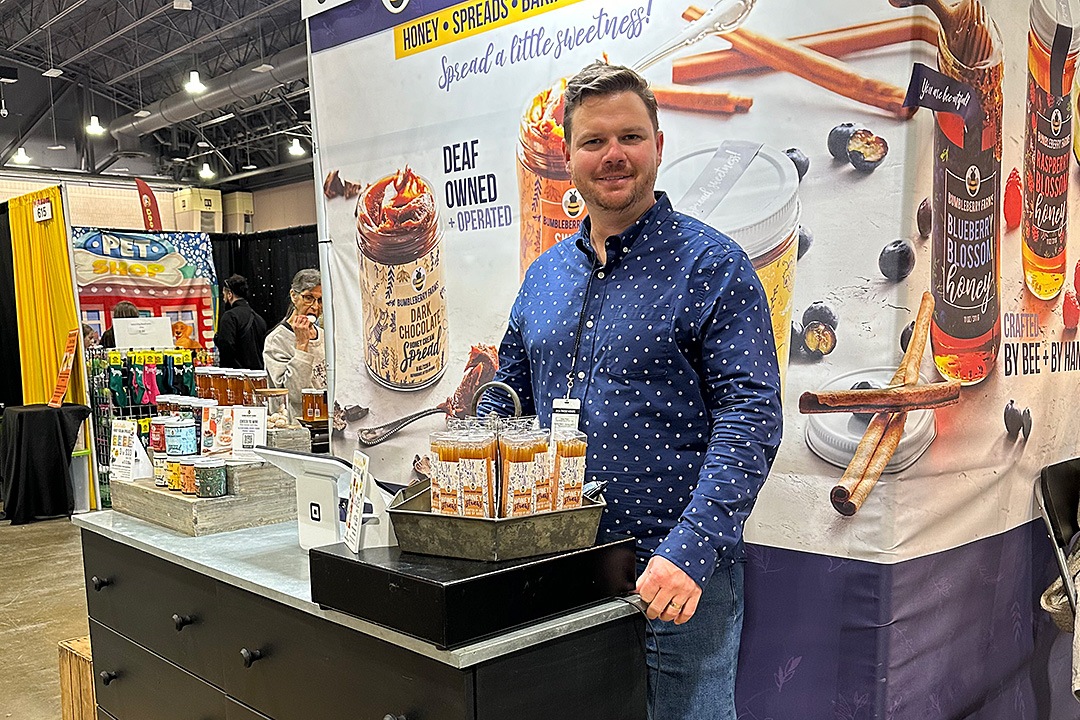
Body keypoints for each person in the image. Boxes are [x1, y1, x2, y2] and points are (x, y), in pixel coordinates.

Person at [480, 62, 782, 719]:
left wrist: (691, 550)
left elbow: (751, 418)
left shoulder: (713, 266)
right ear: (567, 157)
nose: (612, 155)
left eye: (630, 137)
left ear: (658, 145)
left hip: (675, 578)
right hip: (561, 567)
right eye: (593, 141)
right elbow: (512, 386)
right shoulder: (544, 277)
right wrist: (479, 438)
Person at [263, 269, 326, 420]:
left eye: (320, 300)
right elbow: (294, 394)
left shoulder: (324, 335)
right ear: (294, 296)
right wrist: (302, 345)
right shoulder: (276, 340)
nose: (315, 307)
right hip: (296, 425)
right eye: (308, 298)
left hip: (325, 421)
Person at [214, 274, 268, 369]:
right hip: (260, 377)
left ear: (230, 294)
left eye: (224, 295)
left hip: (237, 378)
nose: (223, 298)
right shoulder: (259, 319)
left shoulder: (230, 317)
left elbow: (226, 348)